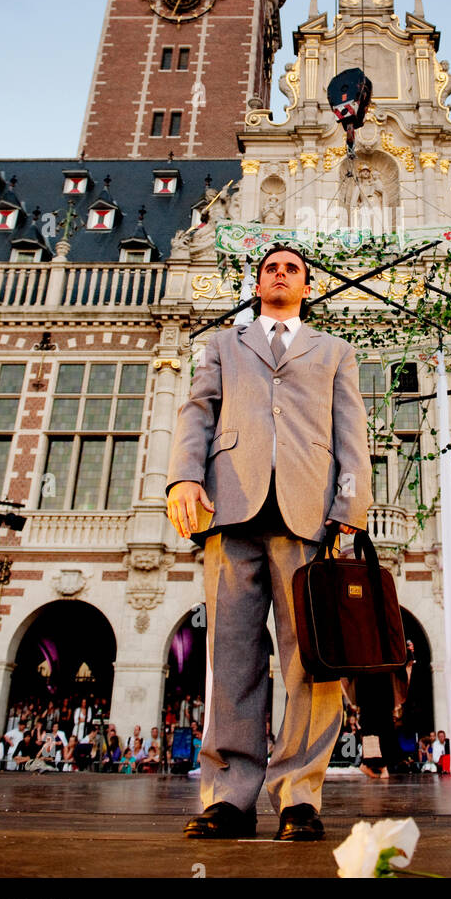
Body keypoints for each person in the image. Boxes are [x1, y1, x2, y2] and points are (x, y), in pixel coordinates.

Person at [165, 245, 372, 843]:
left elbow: (351, 436)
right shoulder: (223, 346)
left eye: (292, 270)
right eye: (270, 268)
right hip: (231, 510)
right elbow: (196, 412)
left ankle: (298, 796)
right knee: (231, 659)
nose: (279, 275)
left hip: (310, 516)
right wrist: (184, 476)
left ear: (307, 286)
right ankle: (228, 796)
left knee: (312, 662)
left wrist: (350, 508)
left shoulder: (335, 352)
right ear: (257, 283)